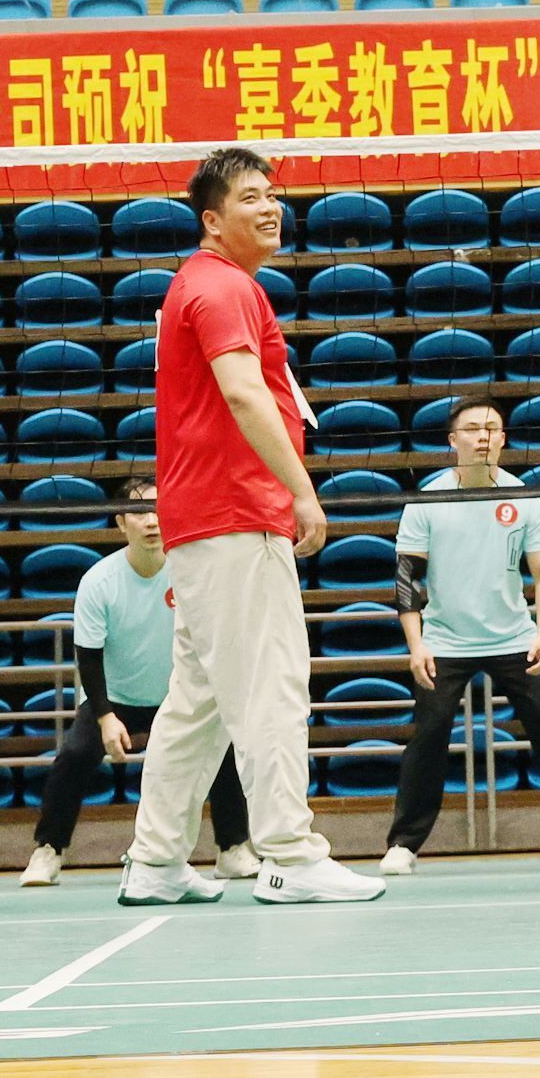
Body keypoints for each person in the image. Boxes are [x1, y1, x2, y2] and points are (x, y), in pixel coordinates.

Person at [118, 145, 375, 904]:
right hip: (234, 514)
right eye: (251, 197)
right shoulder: (223, 286)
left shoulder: (210, 283)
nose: (271, 207)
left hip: (206, 520)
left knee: (197, 704)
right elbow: (242, 391)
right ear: (212, 219)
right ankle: (290, 855)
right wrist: (302, 492)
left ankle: (155, 861)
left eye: (273, 194)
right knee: (272, 688)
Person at [379, 397, 540, 877]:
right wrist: (416, 645)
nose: (483, 437)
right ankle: (404, 844)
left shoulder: (525, 499)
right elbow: (406, 579)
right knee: (428, 737)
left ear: (503, 439)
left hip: (514, 637)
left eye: (492, 429)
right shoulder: (427, 500)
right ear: (452, 440)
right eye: (473, 428)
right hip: (445, 641)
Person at [25, 476, 245, 883]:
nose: (151, 521)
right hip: (115, 700)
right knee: (75, 754)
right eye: (139, 512)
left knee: (224, 747)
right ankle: (49, 850)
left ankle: (232, 849)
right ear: (120, 523)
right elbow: (88, 657)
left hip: (177, 696)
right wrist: (105, 717)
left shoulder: (189, 572)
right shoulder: (98, 581)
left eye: (158, 510)